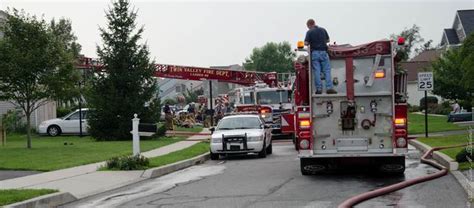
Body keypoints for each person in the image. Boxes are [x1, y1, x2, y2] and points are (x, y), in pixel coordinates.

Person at [305, 19, 337, 94]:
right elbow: (328, 40)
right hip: (323, 52)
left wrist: (311, 42)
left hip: (315, 53)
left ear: (309, 25)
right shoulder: (323, 30)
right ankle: (329, 88)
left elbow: (306, 43)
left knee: (317, 71)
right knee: (327, 70)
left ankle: (319, 89)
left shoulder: (309, 32)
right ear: (314, 23)